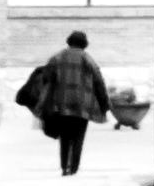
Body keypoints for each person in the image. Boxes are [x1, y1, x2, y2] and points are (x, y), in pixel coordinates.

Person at [16, 30, 114, 177]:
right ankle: (74, 167)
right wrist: (105, 103)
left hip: (61, 104)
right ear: (84, 44)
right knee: (78, 137)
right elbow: (98, 82)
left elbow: (46, 78)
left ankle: (64, 168)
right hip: (83, 105)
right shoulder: (88, 59)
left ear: (69, 41)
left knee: (65, 137)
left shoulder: (57, 57)